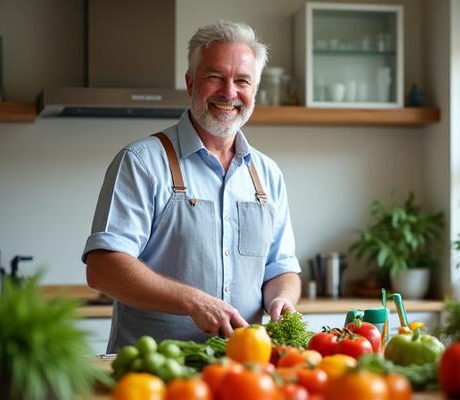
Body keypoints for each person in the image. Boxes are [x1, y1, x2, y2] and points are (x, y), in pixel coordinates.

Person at [82, 21, 301, 353]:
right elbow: (103, 269)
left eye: (242, 81)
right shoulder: (142, 161)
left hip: (242, 370)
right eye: (215, 77)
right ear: (190, 82)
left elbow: (281, 267)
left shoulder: (267, 174)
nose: (229, 93)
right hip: (153, 370)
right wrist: (193, 301)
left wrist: (282, 299)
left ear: (254, 90)